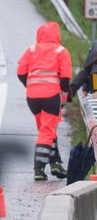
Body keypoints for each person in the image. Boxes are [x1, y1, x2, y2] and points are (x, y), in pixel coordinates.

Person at [16, 21, 72, 181]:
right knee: (47, 132)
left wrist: (32, 85)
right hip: (51, 96)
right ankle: (38, 169)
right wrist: (64, 95)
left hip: (32, 97)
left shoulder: (31, 50)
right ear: (57, 35)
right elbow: (65, 79)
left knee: (46, 130)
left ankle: (55, 164)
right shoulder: (61, 51)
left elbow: (20, 72)